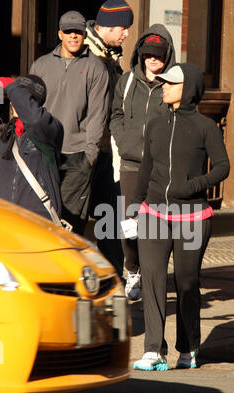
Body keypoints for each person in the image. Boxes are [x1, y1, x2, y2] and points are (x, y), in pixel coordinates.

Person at [131, 64, 230, 371]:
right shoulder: (156, 124)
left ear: (188, 89)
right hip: (154, 213)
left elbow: (222, 167)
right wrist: (135, 208)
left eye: (172, 83)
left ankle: (188, 348)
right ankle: (153, 350)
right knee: (152, 279)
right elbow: (146, 170)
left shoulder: (206, 127)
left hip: (192, 216)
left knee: (186, 282)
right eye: (163, 83)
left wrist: (193, 185)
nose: (164, 87)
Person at [110, 24, 176, 300]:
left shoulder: (172, 87)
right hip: (131, 164)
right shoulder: (126, 82)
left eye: (158, 55)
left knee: (155, 224)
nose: (153, 59)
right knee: (129, 223)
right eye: (148, 54)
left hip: (160, 168)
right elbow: (115, 115)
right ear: (140, 54)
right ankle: (132, 268)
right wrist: (125, 143)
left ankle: (151, 274)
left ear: (167, 56)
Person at [30, 10, 110, 235]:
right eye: (68, 31)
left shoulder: (96, 68)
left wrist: (90, 155)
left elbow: (97, 114)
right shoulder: (41, 66)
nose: (73, 36)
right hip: (43, 152)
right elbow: (31, 108)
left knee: (71, 223)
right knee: (42, 218)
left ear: (85, 35)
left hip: (78, 156)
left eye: (78, 32)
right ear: (60, 34)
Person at [85, 0, 134, 278]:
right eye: (122, 27)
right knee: (75, 224)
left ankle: (113, 282)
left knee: (110, 221)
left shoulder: (112, 56)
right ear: (104, 25)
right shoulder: (86, 55)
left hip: (106, 154)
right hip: (84, 154)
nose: (126, 33)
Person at [0, 75, 63, 220]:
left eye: (23, 97)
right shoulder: (2, 133)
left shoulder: (50, 130)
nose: (16, 102)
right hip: (4, 220)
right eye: (13, 97)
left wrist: (10, 85)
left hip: (37, 222)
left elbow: (34, 119)